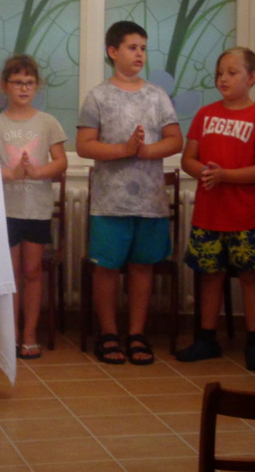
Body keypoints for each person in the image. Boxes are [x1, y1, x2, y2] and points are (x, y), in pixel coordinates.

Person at [76, 21, 183, 365]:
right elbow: (84, 145)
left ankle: (137, 334)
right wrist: (124, 149)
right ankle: (108, 334)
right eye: (132, 47)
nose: (139, 54)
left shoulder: (157, 95)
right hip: (110, 202)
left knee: (142, 267)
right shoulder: (98, 96)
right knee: (106, 268)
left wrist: (146, 151)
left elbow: (175, 140)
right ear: (113, 51)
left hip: (150, 202)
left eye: (143, 48)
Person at [175, 47, 255, 371]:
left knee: (250, 277)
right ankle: (207, 339)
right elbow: (188, 159)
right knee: (209, 276)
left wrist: (225, 176)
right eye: (220, 72)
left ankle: (254, 343)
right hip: (209, 214)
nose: (224, 78)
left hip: (248, 215)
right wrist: (206, 172)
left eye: (232, 72)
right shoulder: (204, 114)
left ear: (252, 77)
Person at [0, 55, 67, 360]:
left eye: (29, 82)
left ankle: (30, 334)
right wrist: (13, 174)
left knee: (32, 271)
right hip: (5, 210)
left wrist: (37, 172)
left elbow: (60, 162)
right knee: (11, 273)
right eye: (17, 82)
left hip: (37, 209)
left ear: (37, 86)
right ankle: (10, 334)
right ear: (5, 86)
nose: (24, 88)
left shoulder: (48, 122)